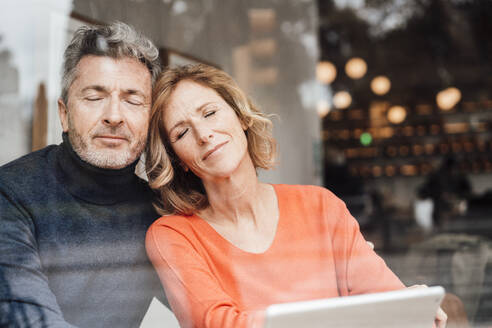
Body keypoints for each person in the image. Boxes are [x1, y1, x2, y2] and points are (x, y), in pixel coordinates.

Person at [144, 64, 446, 328]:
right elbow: (217, 324)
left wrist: (409, 309)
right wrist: (352, 315)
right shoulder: (173, 235)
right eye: (182, 133)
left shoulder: (320, 206)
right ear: (178, 159)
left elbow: (383, 301)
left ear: (241, 117)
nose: (203, 134)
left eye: (210, 113)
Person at [0, 22, 167, 327]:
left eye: (132, 99)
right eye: (94, 97)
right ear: (64, 114)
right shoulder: (9, 194)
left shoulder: (163, 212)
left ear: (150, 117)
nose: (114, 116)